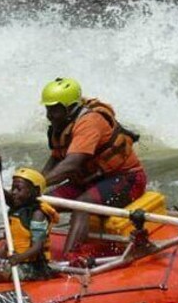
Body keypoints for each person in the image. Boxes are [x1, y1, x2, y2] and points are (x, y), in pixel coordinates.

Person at [40, 77, 147, 255]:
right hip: (89, 181)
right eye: (48, 109)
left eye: (54, 110)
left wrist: (39, 183)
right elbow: (55, 160)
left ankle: (69, 258)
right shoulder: (61, 124)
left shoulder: (90, 122)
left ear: (69, 108)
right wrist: (33, 183)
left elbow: (71, 164)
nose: (49, 115)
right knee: (42, 203)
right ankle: (29, 254)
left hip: (126, 179)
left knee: (82, 204)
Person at [0, 162, 59, 285]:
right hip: (17, 259)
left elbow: (37, 247)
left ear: (35, 191)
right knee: (2, 248)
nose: (14, 192)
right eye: (13, 188)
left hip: (33, 267)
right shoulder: (17, 205)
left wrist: (18, 258)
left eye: (19, 189)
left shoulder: (37, 215)